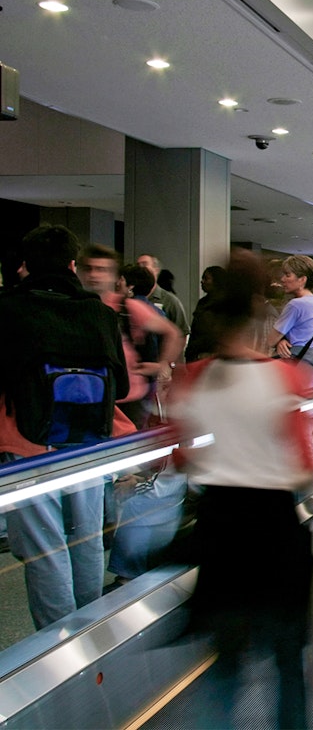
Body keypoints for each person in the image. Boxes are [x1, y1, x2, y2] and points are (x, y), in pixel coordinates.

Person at [168, 250, 313, 729]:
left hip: (219, 530)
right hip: (273, 529)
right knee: (287, 662)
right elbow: (306, 465)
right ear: (262, 318)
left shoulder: (192, 380)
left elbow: (180, 459)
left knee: (226, 662)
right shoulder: (287, 377)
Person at [0, 226, 132, 630]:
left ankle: (56, 640)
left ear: (24, 265)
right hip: (90, 443)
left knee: (45, 548)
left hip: (27, 443)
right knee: (87, 539)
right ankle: (89, 630)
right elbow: (122, 386)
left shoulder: (8, 308)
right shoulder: (99, 313)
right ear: (72, 265)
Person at [79, 248, 184, 431]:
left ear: (114, 276)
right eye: (89, 269)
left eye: (101, 269)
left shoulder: (128, 307)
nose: (94, 275)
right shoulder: (76, 307)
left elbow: (173, 333)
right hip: (88, 397)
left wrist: (161, 365)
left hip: (128, 399)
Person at [268, 255, 313, 385]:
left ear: (302, 279)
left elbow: (271, 339)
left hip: (294, 367)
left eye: (288, 275)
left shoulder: (296, 305)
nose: (283, 279)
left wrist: (279, 340)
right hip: (312, 367)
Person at [136, 254, 190, 337]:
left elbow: (182, 333)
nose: (140, 269)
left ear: (156, 270)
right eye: (137, 265)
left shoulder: (169, 300)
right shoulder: (131, 298)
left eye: (144, 264)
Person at [185, 265, 226, 362]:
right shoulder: (202, 302)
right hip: (196, 355)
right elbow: (195, 330)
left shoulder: (225, 304)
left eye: (206, 279)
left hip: (214, 358)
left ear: (216, 281)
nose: (202, 281)